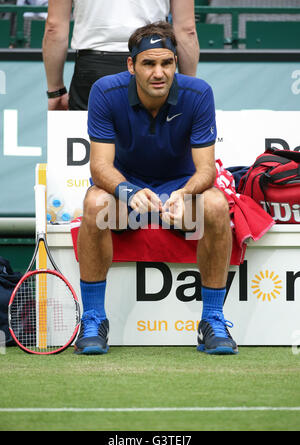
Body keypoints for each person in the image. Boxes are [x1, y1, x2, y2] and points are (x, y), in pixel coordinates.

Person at [74, 21, 238, 356]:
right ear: (131, 65)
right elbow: (100, 166)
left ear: (176, 62)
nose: (159, 72)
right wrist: (130, 192)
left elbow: (206, 169)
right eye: (149, 63)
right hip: (127, 191)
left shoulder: (199, 93)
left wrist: (185, 194)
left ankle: (213, 320)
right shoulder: (105, 91)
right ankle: (93, 319)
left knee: (217, 206)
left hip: (179, 191)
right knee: (93, 203)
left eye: (167, 63)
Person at [42, 0, 200, 111]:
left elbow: (54, 29)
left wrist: (56, 92)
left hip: (92, 68)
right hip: (150, 62)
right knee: (150, 151)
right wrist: (188, 89)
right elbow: (187, 30)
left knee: (90, 153)